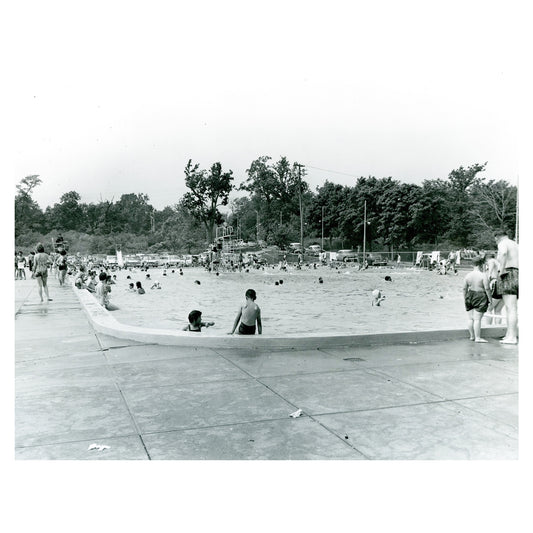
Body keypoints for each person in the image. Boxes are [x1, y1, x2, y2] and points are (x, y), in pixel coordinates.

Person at [495, 229, 519, 344]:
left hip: (508, 273)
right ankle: (509, 334)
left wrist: (501, 270)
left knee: (511, 308)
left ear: (497, 237)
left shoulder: (502, 243)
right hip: (517, 274)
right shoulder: (515, 244)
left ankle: (512, 337)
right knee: (512, 308)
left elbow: (503, 253)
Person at [463, 256, 492, 343]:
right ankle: (478, 338)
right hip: (480, 296)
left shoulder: (468, 275)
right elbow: (487, 288)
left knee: (470, 318)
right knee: (477, 319)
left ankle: (472, 336)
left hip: (470, 294)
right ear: (481, 264)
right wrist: (490, 299)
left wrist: (465, 298)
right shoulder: (483, 275)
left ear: (472, 265)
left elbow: (464, 288)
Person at [484, 252, 504, 325]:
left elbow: (490, 273)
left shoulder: (491, 261)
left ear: (486, 258)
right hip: (503, 284)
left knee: (489, 309)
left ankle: (488, 327)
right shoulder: (498, 262)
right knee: (498, 310)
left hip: (496, 283)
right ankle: (498, 328)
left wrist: (488, 276)